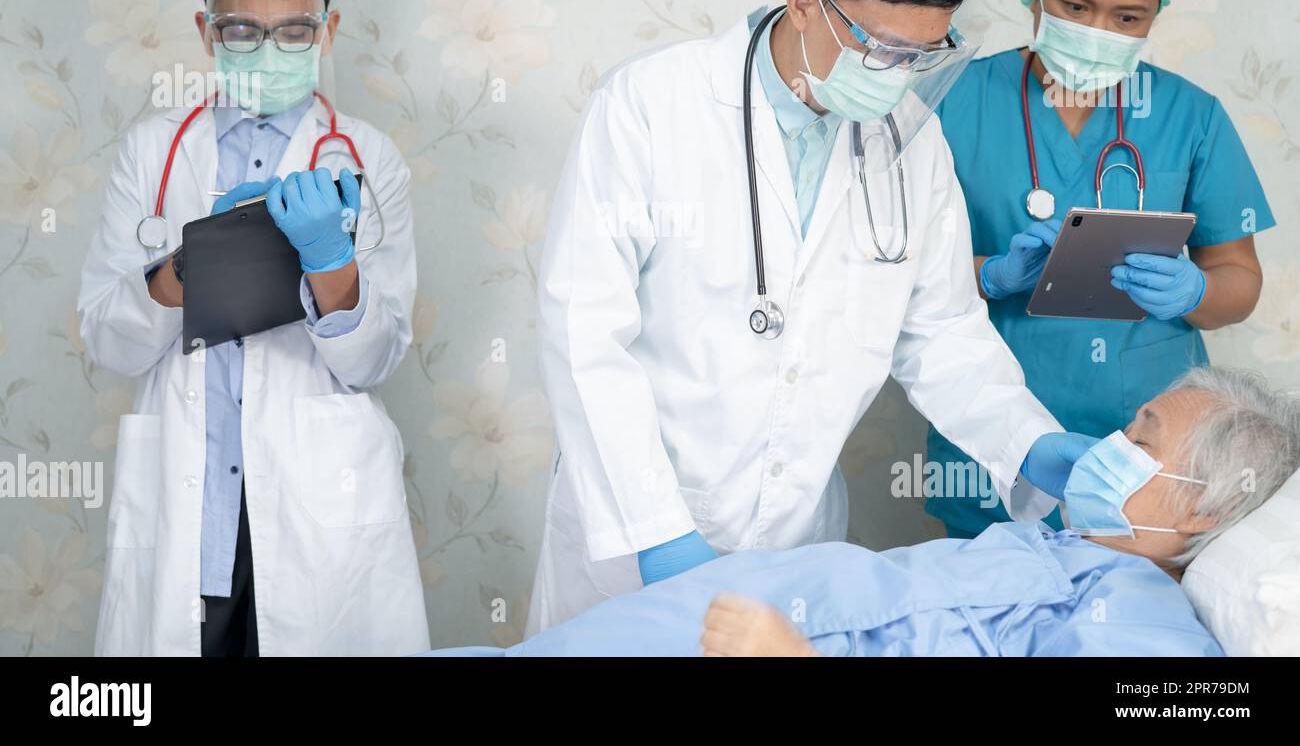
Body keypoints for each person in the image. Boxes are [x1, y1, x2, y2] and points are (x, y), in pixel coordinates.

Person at [527, 0, 1097, 635]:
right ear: (803, 3)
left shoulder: (911, 142)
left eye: (925, 54)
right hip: (637, 528)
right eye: (883, 48)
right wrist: (654, 529)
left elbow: (943, 330)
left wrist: (1028, 441)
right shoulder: (651, 106)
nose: (899, 74)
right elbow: (582, 333)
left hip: (794, 537)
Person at [78, 0, 427, 656]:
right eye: (242, 32)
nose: (269, 50)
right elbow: (106, 338)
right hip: (189, 514)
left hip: (318, 513)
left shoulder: (371, 159)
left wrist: (331, 260)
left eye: (294, 32)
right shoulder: (151, 154)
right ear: (207, 32)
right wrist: (175, 279)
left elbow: (374, 360)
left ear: (327, 30)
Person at [432, 367, 1298, 656]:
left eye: (1140, 440)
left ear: (1206, 509)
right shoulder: (1057, 549)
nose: (1111, 443)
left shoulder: (1143, 619)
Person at [925, 0, 1275, 539]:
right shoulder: (952, 98)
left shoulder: (1191, 115)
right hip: (989, 429)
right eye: (1075, 5)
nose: (1097, 28)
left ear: (1154, 18)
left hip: (1149, 447)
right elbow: (894, 270)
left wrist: (1193, 291)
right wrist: (991, 274)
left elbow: (1239, 281)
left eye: (1128, 15)